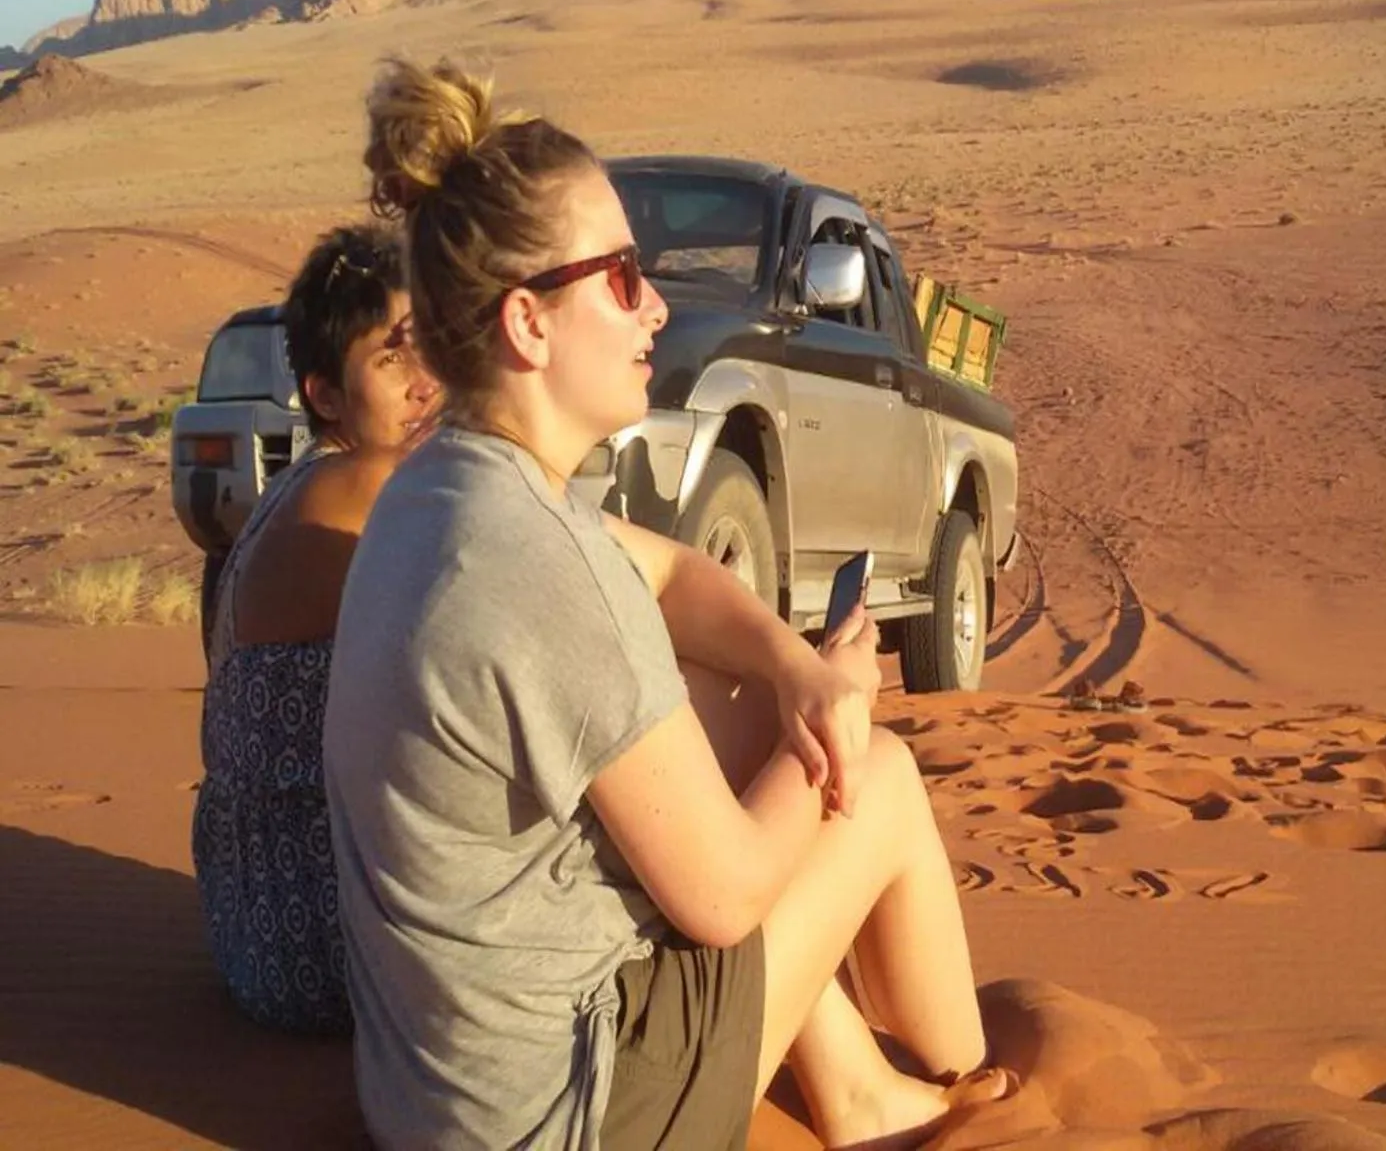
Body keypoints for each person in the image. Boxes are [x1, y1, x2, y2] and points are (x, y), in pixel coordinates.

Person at [325, 59, 1006, 1150]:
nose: (654, 306)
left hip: (434, 1094)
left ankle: (855, 1084)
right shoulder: (539, 567)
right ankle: (971, 1086)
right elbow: (729, 899)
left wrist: (792, 671)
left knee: (716, 700)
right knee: (875, 778)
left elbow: (678, 574)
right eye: (622, 276)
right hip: (573, 1117)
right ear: (527, 325)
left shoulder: (443, 495)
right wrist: (841, 706)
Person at [191, 224, 441, 1033]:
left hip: (262, 931)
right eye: (392, 356)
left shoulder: (305, 487)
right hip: (325, 936)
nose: (425, 382)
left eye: (430, 345)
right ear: (324, 394)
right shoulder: (363, 487)